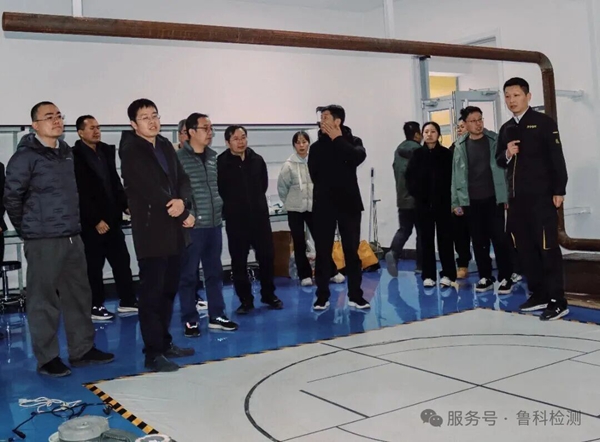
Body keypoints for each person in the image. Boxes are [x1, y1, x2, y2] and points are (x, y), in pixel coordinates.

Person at [4, 101, 114, 377]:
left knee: (79, 295)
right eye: (48, 117)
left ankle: (82, 350)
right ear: (35, 125)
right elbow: (12, 197)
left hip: (72, 236)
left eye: (58, 116)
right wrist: (28, 229)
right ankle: (48, 358)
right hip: (43, 239)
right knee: (43, 300)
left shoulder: (66, 153)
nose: (56, 120)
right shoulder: (25, 157)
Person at [119, 98, 196, 372]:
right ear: (133, 124)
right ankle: (152, 353)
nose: (152, 121)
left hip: (173, 232)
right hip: (152, 232)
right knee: (152, 295)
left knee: (168, 290)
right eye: (145, 118)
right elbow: (149, 188)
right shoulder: (131, 150)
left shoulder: (163, 144)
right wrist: (179, 210)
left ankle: (164, 343)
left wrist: (183, 203)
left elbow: (182, 179)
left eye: (155, 115)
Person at [496, 77, 569, 321]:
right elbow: (499, 159)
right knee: (524, 249)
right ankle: (539, 294)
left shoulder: (543, 123)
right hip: (517, 201)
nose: (511, 100)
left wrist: (559, 190)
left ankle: (557, 300)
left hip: (541, 198)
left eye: (516, 95)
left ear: (528, 96)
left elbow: (557, 158)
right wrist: (507, 153)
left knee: (547, 248)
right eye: (507, 96)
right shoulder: (506, 128)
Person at [177, 113, 238, 336]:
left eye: (211, 128)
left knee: (214, 273)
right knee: (188, 275)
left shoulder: (213, 157)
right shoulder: (178, 159)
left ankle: (217, 315)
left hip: (214, 224)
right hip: (192, 226)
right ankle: (190, 319)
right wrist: (187, 213)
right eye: (205, 128)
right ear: (191, 131)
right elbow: (175, 191)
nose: (210, 132)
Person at [73, 115, 138, 320]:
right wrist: (95, 220)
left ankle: (128, 300)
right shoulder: (74, 156)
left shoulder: (105, 152)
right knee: (94, 266)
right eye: (91, 128)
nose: (96, 131)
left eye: (98, 127)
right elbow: (79, 192)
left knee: (122, 261)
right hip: (92, 223)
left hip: (113, 218)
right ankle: (95, 305)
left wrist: (125, 205)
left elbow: (114, 182)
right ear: (80, 132)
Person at [308, 104, 370, 310]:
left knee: (351, 251)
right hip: (324, 205)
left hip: (349, 204)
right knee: (323, 252)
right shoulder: (316, 147)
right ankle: (322, 296)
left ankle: (356, 295)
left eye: (326, 117)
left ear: (338, 121)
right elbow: (314, 174)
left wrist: (338, 139)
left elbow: (356, 157)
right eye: (321, 118)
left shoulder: (354, 142)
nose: (322, 121)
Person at [217, 125, 284, 314]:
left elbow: (263, 185)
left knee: (267, 257)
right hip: (236, 220)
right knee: (239, 261)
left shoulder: (257, 160)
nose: (241, 142)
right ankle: (245, 300)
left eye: (243, 137)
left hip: (259, 218)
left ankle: (268, 294)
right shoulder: (221, 163)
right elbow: (220, 190)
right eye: (236, 139)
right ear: (227, 142)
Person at [451, 106, 513, 294]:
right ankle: (485, 277)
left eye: (480, 119)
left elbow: (506, 170)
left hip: (494, 199)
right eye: (473, 121)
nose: (478, 124)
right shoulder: (460, 146)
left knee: (500, 239)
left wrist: (507, 195)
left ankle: (505, 277)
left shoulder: (495, 140)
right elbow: (455, 175)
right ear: (465, 124)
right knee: (478, 241)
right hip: (471, 201)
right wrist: (456, 202)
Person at [277, 130, 345, 287]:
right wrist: (289, 202)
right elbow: (282, 188)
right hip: (295, 209)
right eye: (298, 142)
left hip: (314, 207)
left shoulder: (315, 160)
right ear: (294, 145)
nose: (301, 145)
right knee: (299, 242)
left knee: (322, 241)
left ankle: (331, 272)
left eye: (304, 142)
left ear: (309, 143)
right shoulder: (288, 165)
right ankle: (304, 275)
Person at [405, 121, 457, 288]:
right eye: (426, 131)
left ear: (438, 134)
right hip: (423, 205)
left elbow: (453, 178)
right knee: (425, 240)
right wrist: (418, 194)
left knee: (445, 240)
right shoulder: (417, 155)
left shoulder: (446, 154)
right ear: (422, 134)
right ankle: (428, 275)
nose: (429, 134)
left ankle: (448, 274)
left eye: (433, 131)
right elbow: (409, 178)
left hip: (443, 204)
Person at [385, 121, 422, 278]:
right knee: (422, 233)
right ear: (417, 134)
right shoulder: (419, 151)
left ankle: (393, 253)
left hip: (402, 198)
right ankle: (421, 266)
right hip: (418, 199)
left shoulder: (398, 151)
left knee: (404, 229)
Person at [449, 117, 472, 279]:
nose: (459, 130)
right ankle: (463, 265)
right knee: (460, 235)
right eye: (458, 127)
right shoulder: (453, 149)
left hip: (479, 197)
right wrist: (454, 202)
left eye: (462, 126)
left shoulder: (482, 146)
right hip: (459, 199)